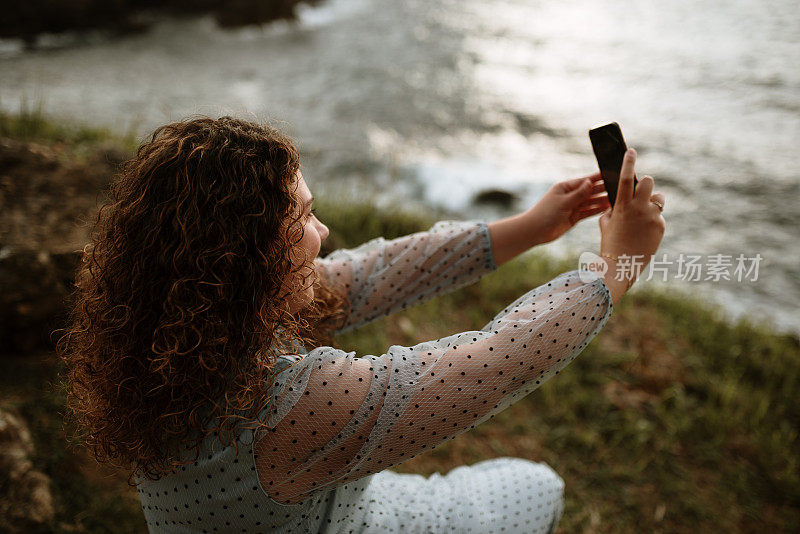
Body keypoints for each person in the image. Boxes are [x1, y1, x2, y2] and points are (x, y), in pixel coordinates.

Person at [58, 116, 665, 533]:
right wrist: (618, 265)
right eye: (305, 215)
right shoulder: (293, 408)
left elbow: (373, 274)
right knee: (536, 485)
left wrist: (532, 227)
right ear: (246, 259)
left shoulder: (173, 335)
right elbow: (497, 362)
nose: (323, 234)